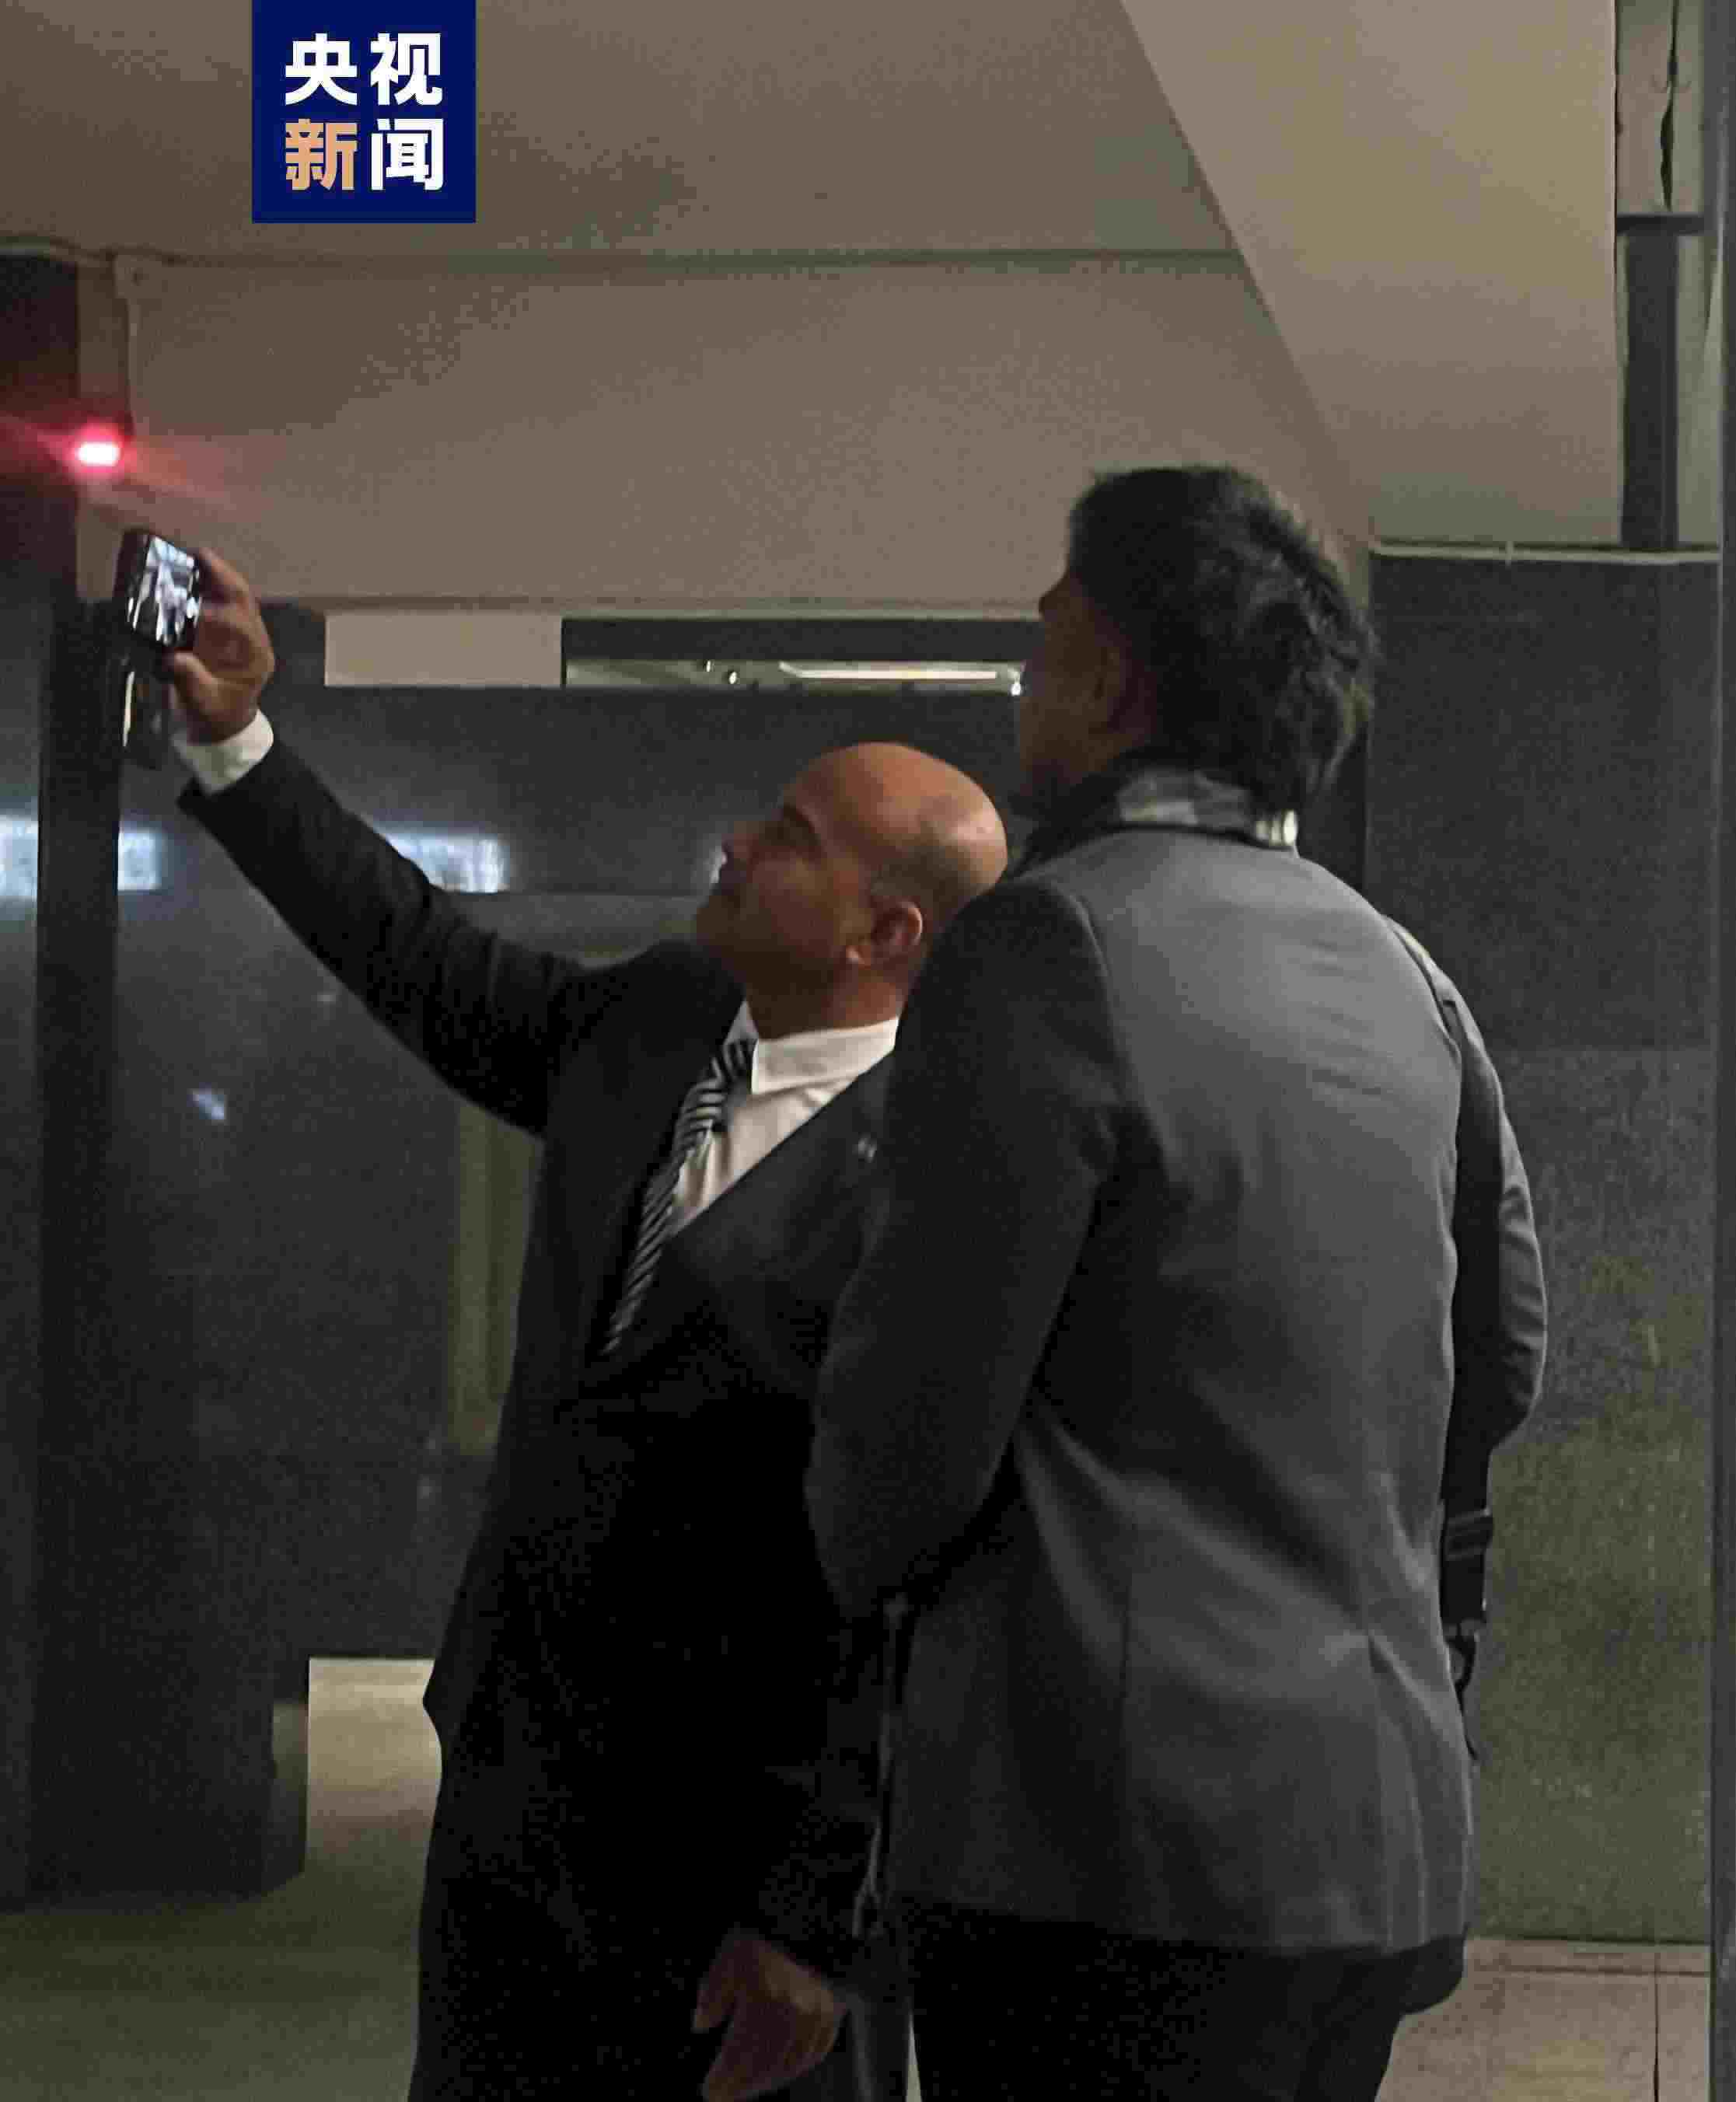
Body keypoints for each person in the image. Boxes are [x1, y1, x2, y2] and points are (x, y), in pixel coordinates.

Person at [157, 547, 1008, 2102]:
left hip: (729, 1859)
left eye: (791, 840)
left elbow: (905, 1585)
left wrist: (814, 1913)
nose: (737, 841)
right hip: (514, 1780)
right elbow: (420, 957)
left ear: (882, 934)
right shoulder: (658, 1021)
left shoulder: (946, 1184)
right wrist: (239, 744)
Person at [805, 464, 1549, 2101]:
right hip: (1372, 1837)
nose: (1025, 678)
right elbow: (1500, 1365)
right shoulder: (1406, 974)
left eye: (1047, 638)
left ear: (1113, 681)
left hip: (1104, 1851)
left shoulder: (1042, 948)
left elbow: (911, 1440)